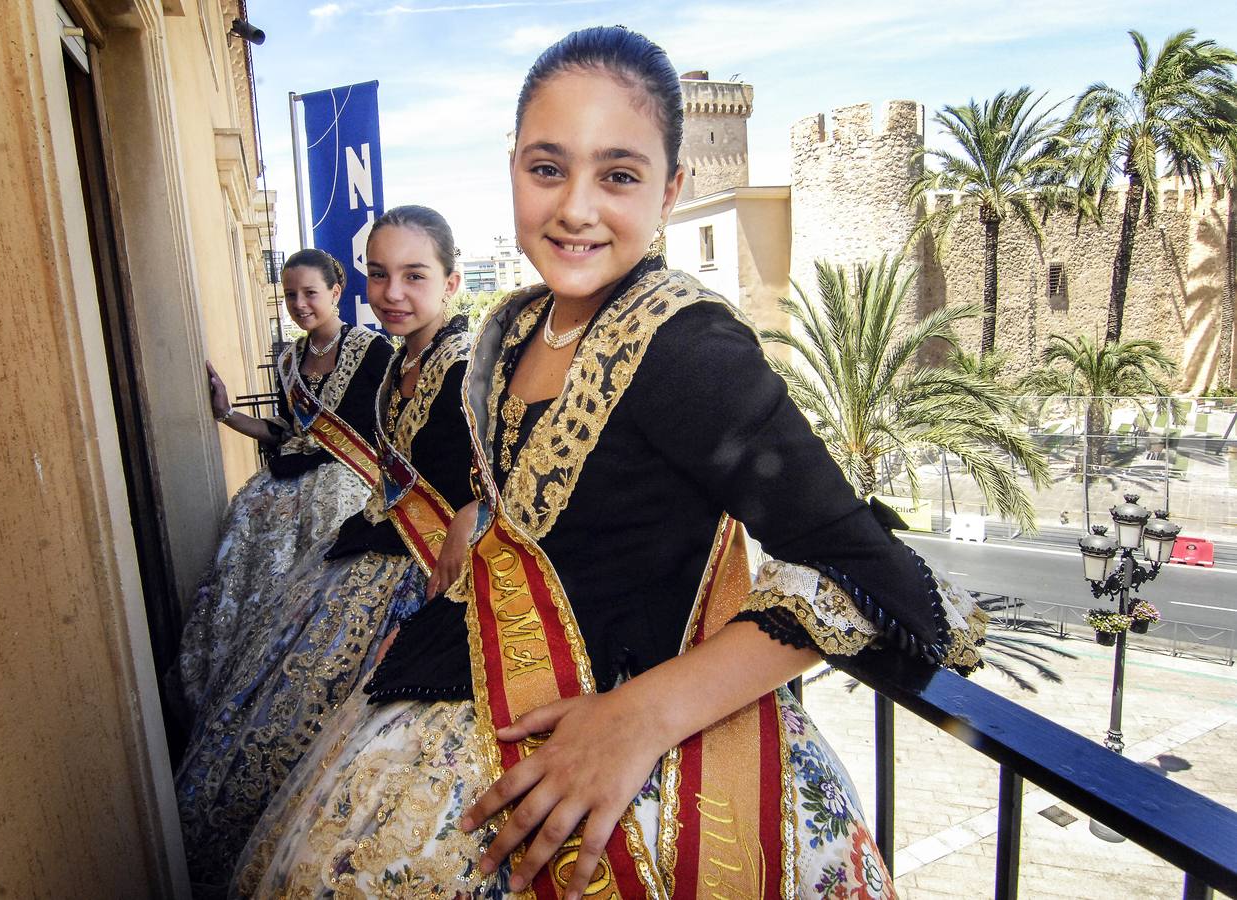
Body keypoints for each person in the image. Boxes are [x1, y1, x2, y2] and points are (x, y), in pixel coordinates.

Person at [235, 28, 984, 899]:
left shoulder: (687, 347)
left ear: (670, 190)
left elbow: (874, 572)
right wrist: (484, 510)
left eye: (619, 175)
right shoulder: (512, 327)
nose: (576, 208)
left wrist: (640, 718)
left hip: (633, 750)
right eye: (547, 169)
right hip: (469, 684)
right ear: (511, 166)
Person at [176, 207, 476, 891]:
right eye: (379, 274)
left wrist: (467, 521)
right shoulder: (408, 356)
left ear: (453, 281)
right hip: (370, 549)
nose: (392, 292)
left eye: (413, 275)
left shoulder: (469, 369)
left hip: (417, 577)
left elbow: (497, 479)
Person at [172, 249, 391, 724]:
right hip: (285, 481)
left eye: (310, 293)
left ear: (335, 292)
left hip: (346, 481)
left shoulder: (375, 351)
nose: (300, 304)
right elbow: (285, 432)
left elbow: (390, 427)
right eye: (290, 295)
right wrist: (226, 414)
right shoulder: (289, 358)